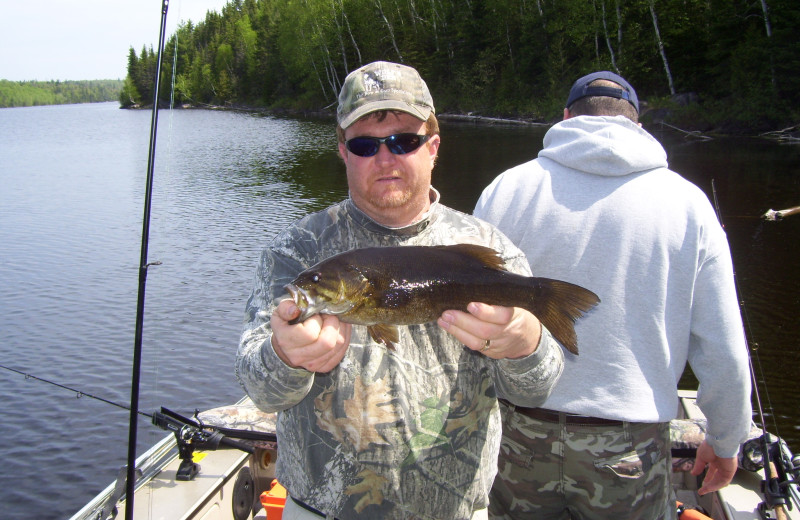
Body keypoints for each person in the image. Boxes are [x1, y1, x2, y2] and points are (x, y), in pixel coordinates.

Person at [235, 61, 565, 520]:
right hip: (320, 511)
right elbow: (259, 387)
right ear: (343, 152)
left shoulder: (490, 249)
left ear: (433, 148)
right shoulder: (298, 252)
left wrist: (526, 343)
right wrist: (285, 356)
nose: (386, 158)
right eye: (366, 145)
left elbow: (537, 389)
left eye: (404, 142)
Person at [474, 71, 752, 519]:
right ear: (637, 123)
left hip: (519, 435)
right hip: (630, 450)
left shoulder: (506, 189)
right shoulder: (688, 204)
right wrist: (725, 441)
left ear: (565, 117)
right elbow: (723, 349)